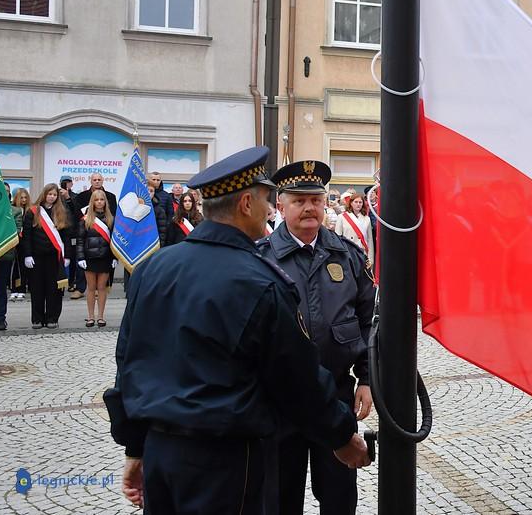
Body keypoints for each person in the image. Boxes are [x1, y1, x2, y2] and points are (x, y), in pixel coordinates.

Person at [103, 146, 370, 514]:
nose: (270, 209)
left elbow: (129, 363)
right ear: (246, 203)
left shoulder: (154, 268)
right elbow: (296, 376)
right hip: (226, 459)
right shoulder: (259, 279)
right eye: (265, 199)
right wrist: (341, 435)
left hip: (162, 453)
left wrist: (135, 447)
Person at [258, 161, 376, 515]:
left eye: (315, 199)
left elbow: (368, 320)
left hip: (336, 395)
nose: (309, 208)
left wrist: (367, 379)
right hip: (279, 403)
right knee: (279, 498)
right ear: (280, 205)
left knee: (339, 495)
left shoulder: (348, 255)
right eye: (299, 200)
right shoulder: (260, 259)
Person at [19, 184, 74, 329]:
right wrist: (27, 255)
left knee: (54, 290)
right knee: (37, 289)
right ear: (44, 195)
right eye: (49, 194)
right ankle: (37, 319)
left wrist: (67, 256)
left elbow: (66, 237)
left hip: (54, 258)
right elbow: (27, 236)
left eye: (55, 195)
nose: (52, 197)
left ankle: (52, 318)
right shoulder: (33, 211)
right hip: (36, 258)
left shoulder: (62, 211)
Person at [77, 189, 116, 328]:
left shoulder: (111, 219)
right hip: (89, 258)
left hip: (105, 258)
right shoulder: (85, 219)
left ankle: (100, 316)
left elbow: (114, 241)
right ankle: (90, 317)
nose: (99, 202)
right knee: (91, 288)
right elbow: (80, 240)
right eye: (96, 200)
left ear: (105, 201)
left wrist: (114, 257)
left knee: (102, 288)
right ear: (92, 202)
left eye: (102, 199)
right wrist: (80, 257)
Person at [0, 183, 17, 331]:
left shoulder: (14, 211)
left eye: (6, 191)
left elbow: (17, 232)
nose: (4, 193)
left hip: (5, 255)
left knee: (0, 288)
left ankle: (1, 318)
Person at [335, 193, 375, 269]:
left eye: (360, 202)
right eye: (356, 202)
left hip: (363, 253)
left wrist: (370, 258)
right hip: (348, 253)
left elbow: (370, 240)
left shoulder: (367, 219)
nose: (358, 204)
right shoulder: (342, 217)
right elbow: (338, 239)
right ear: (351, 203)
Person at [9, 188, 31, 302]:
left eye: (25, 197)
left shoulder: (30, 210)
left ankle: (22, 289)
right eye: (21, 197)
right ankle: (14, 290)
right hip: (14, 241)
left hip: (25, 242)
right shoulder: (11, 209)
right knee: (14, 267)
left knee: (23, 267)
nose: (23, 200)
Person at [146, 179, 169, 246]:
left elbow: (162, 231)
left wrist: (160, 245)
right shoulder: (134, 208)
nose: (149, 193)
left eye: (151, 191)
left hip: (153, 244)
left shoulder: (159, 210)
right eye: (147, 190)